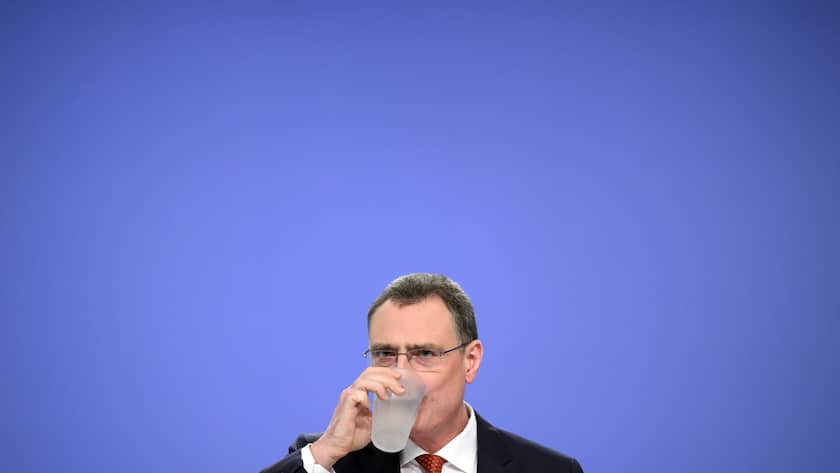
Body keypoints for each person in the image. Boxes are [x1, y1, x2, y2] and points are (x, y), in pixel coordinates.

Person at [261, 273, 583, 473]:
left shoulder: (550, 469)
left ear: (470, 361)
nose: (400, 375)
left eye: (424, 354)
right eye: (385, 354)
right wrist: (328, 449)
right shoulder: (328, 461)